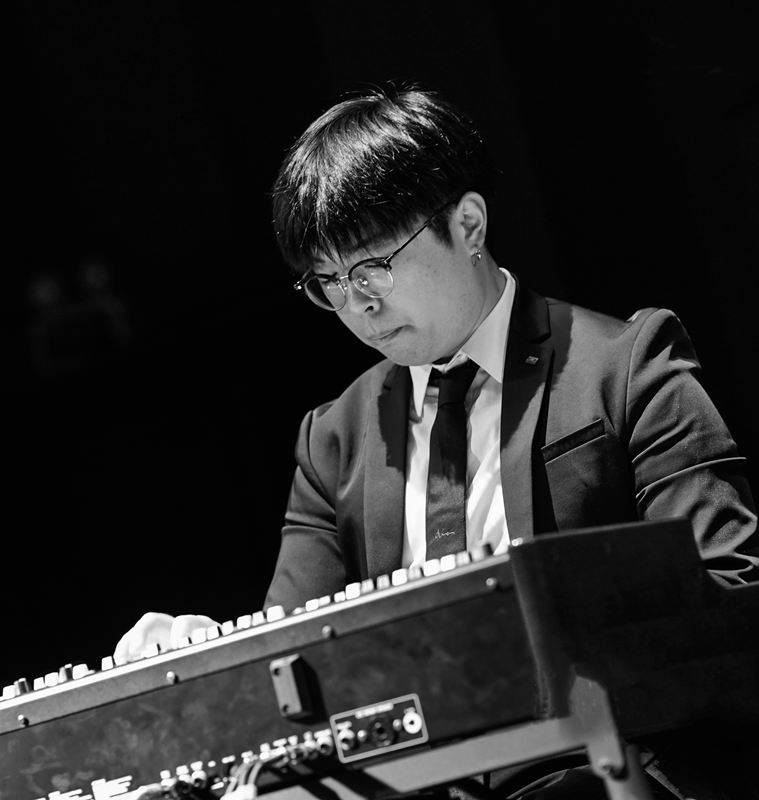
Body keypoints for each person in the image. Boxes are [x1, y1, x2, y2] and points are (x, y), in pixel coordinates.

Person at [115, 88, 758, 797]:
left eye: (373, 267)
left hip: (605, 770)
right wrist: (203, 655)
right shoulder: (334, 439)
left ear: (468, 223)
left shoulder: (624, 367)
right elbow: (293, 663)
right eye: (330, 283)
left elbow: (730, 592)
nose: (359, 305)